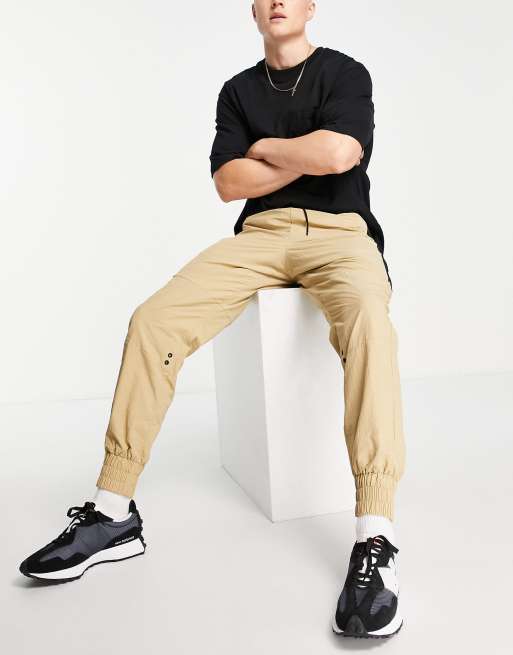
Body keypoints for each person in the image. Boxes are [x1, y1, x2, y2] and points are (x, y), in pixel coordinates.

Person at [19, 0, 406, 640]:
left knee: (370, 326)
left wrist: (266, 148)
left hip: (342, 235)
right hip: (260, 236)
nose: (277, 1)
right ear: (253, 10)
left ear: (311, 7)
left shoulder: (344, 72)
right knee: (153, 321)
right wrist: (296, 156)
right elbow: (230, 184)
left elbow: (340, 153)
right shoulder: (237, 91)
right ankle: (114, 511)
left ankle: (376, 535)